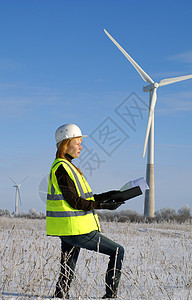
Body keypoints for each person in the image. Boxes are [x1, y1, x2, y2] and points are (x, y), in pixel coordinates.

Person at [46, 124, 125, 299]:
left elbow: (84, 197)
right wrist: (105, 206)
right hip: (76, 229)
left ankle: (60, 295)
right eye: (78, 143)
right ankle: (110, 295)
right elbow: (74, 201)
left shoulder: (67, 167)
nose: (81, 147)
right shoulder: (62, 168)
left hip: (68, 228)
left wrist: (108, 195)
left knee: (68, 265)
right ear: (65, 144)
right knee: (118, 251)